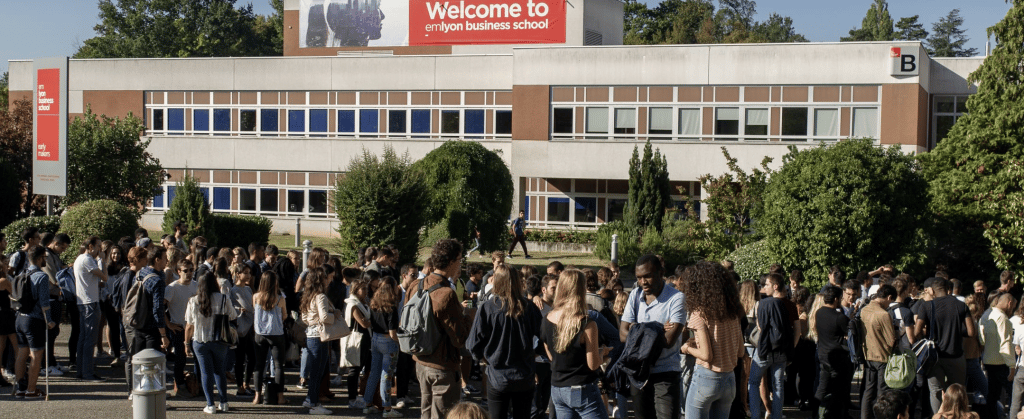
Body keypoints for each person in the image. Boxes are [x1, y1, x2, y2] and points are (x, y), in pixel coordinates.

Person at [405, 239, 471, 419]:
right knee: (444, 415)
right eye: (459, 259)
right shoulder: (446, 294)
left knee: (425, 413)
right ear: (451, 262)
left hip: (420, 359)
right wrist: (467, 315)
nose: (460, 264)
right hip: (442, 366)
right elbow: (459, 338)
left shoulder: (415, 286)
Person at [467, 264, 543, 419]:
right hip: (524, 374)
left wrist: (484, 358)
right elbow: (546, 337)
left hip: (498, 375)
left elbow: (473, 344)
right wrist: (535, 354)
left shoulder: (488, 307)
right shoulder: (528, 308)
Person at [619, 254, 686, 419]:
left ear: (661, 272)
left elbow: (669, 341)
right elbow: (622, 334)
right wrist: (658, 328)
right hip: (638, 372)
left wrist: (636, 329)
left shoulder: (677, 298)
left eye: (647, 276)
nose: (643, 282)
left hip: (666, 373)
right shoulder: (635, 295)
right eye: (639, 278)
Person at [678, 261, 745, 419]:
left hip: (706, 377)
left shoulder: (699, 313)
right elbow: (741, 351)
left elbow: (707, 355)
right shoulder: (733, 310)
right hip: (729, 379)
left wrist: (687, 349)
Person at [541, 269, 607, 419]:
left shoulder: (547, 318)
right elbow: (593, 364)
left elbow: (549, 352)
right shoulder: (587, 324)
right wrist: (603, 352)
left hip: (557, 388)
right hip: (581, 388)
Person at [914, 277, 976, 414]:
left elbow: (916, 332)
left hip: (934, 357)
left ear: (932, 290)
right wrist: (956, 330)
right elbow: (971, 332)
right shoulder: (961, 305)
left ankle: (938, 416)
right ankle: (958, 415)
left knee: (935, 391)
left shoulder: (927, 306)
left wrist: (927, 337)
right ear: (948, 289)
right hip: (956, 355)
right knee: (958, 390)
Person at [186, 272, 236, 413]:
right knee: (220, 371)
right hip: (220, 339)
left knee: (205, 372)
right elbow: (232, 315)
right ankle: (224, 402)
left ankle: (210, 404)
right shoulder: (223, 299)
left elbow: (189, 325)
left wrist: (186, 343)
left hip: (200, 340)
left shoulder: (193, 301)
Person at [748, 273, 794, 419]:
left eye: (766, 285)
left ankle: (756, 415)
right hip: (781, 351)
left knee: (754, 382)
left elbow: (761, 327)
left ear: (775, 286)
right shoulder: (786, 304)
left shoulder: (764, 303)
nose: (764, 287)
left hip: (765, 349)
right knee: (778, 385)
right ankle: (777, 415)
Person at [12, 246, 55, 398]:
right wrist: (49, 321)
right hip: (34, 319)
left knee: (22, 353)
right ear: (38, 259)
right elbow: (44, 303)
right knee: (36, 354)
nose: (45, 260)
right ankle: (31, 390)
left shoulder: (22, 273)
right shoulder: (41, 277)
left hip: (20, 318)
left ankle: (19, 388)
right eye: (44, 257)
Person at [359, 276, 403, 417]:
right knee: (386, 376)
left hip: (375, 340)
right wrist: (400, 343)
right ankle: (387, 408)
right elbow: (392, 332)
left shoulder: (374, 304)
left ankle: (367, 404)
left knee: (374, 373)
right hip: (388, 342)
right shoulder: (391, 307)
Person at [811, 285, 852, 418]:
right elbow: (849, 333)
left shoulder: (819, 312)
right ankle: (838, 414)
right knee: (840, 389)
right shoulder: (839, 317)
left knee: (822, 387)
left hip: (823, 354)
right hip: (838, 357)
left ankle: (814, 413)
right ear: (836, 299)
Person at [73, 236, 108, 381]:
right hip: (89, 303)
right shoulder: (87, 259)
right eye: (98, 246)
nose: (100, 249)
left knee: (83, 338)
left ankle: (82, 371)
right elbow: (104, 277)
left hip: (84, 302)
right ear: (91, 246)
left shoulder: (80, 258)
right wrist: (103, 260)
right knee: (89, 339)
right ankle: (87, 372)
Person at [300, 267, 335, 415]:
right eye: (326, 278)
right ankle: (313, 403)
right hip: (320, 335)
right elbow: (325, 317)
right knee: (318, 371)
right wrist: (335, 316)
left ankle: (311, 399)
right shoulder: (320, 296)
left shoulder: (308, 295)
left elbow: (303, 318)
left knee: (315, 370)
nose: (329, 280)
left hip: (311, 334)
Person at [253, 271, 289, 405]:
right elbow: (284, 315)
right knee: (279, 366)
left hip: (260, 333)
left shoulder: (256, 296)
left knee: (259, 365)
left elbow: (254, 311)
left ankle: (257, 396)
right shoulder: (280, 298)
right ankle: (280, 397)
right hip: (276, 333)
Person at [862, 285, 898, 419]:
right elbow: (891, 340)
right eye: (890, 301)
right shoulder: (884, 315)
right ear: (889, 297)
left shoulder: (864, 310)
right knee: (882, 393)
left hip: (867, 356)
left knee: (868, 391)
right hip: (882, 357)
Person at [979, 292, 1017, 418]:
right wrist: (1012, 366)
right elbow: (1005, 342)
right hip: (1002, 362)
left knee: (993, 394)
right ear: (1009, 303)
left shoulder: (986, 314)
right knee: (1013, 393)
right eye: (1012, 307)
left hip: (989, 360)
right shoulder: (1002, 317)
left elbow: (982, 339)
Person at [165, 259, 198, 397]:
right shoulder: (172, 288)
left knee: (197, 358)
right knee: (180, 358)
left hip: (195, 328)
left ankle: (197, 384)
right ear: (178, 272)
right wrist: (169, 324)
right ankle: (180, 384)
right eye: (186, 270)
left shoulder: (196, 285)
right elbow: (161, 308)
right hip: (178, 328)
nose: (189, 273)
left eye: (191, 270)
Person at [230, 263, 257, 396]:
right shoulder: (234, 290)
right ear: (238, 274)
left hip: (249, 326)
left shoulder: (248, 289)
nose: (248, 275)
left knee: (252, 357)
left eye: (249, 273)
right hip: (240, 328)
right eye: (245, 272)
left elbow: (251, 306)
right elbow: (245, 305)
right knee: (240, 359)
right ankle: (240, 386)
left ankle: (246, 383)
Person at [0, 255, 18, 387]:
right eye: (5, 264)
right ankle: (20, 373)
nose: (8, 267)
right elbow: (16, 295)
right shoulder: (4, 281)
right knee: (17, 345)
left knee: (1, 347)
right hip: (6, 314)